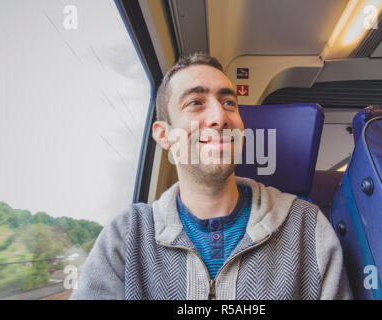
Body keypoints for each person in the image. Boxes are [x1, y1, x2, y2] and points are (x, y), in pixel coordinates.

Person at [70, 53, 352, 300]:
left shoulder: (307, 227)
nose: (220, 116)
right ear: (163, 135)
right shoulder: (127, 236)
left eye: (229, 102)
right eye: (195, 102)